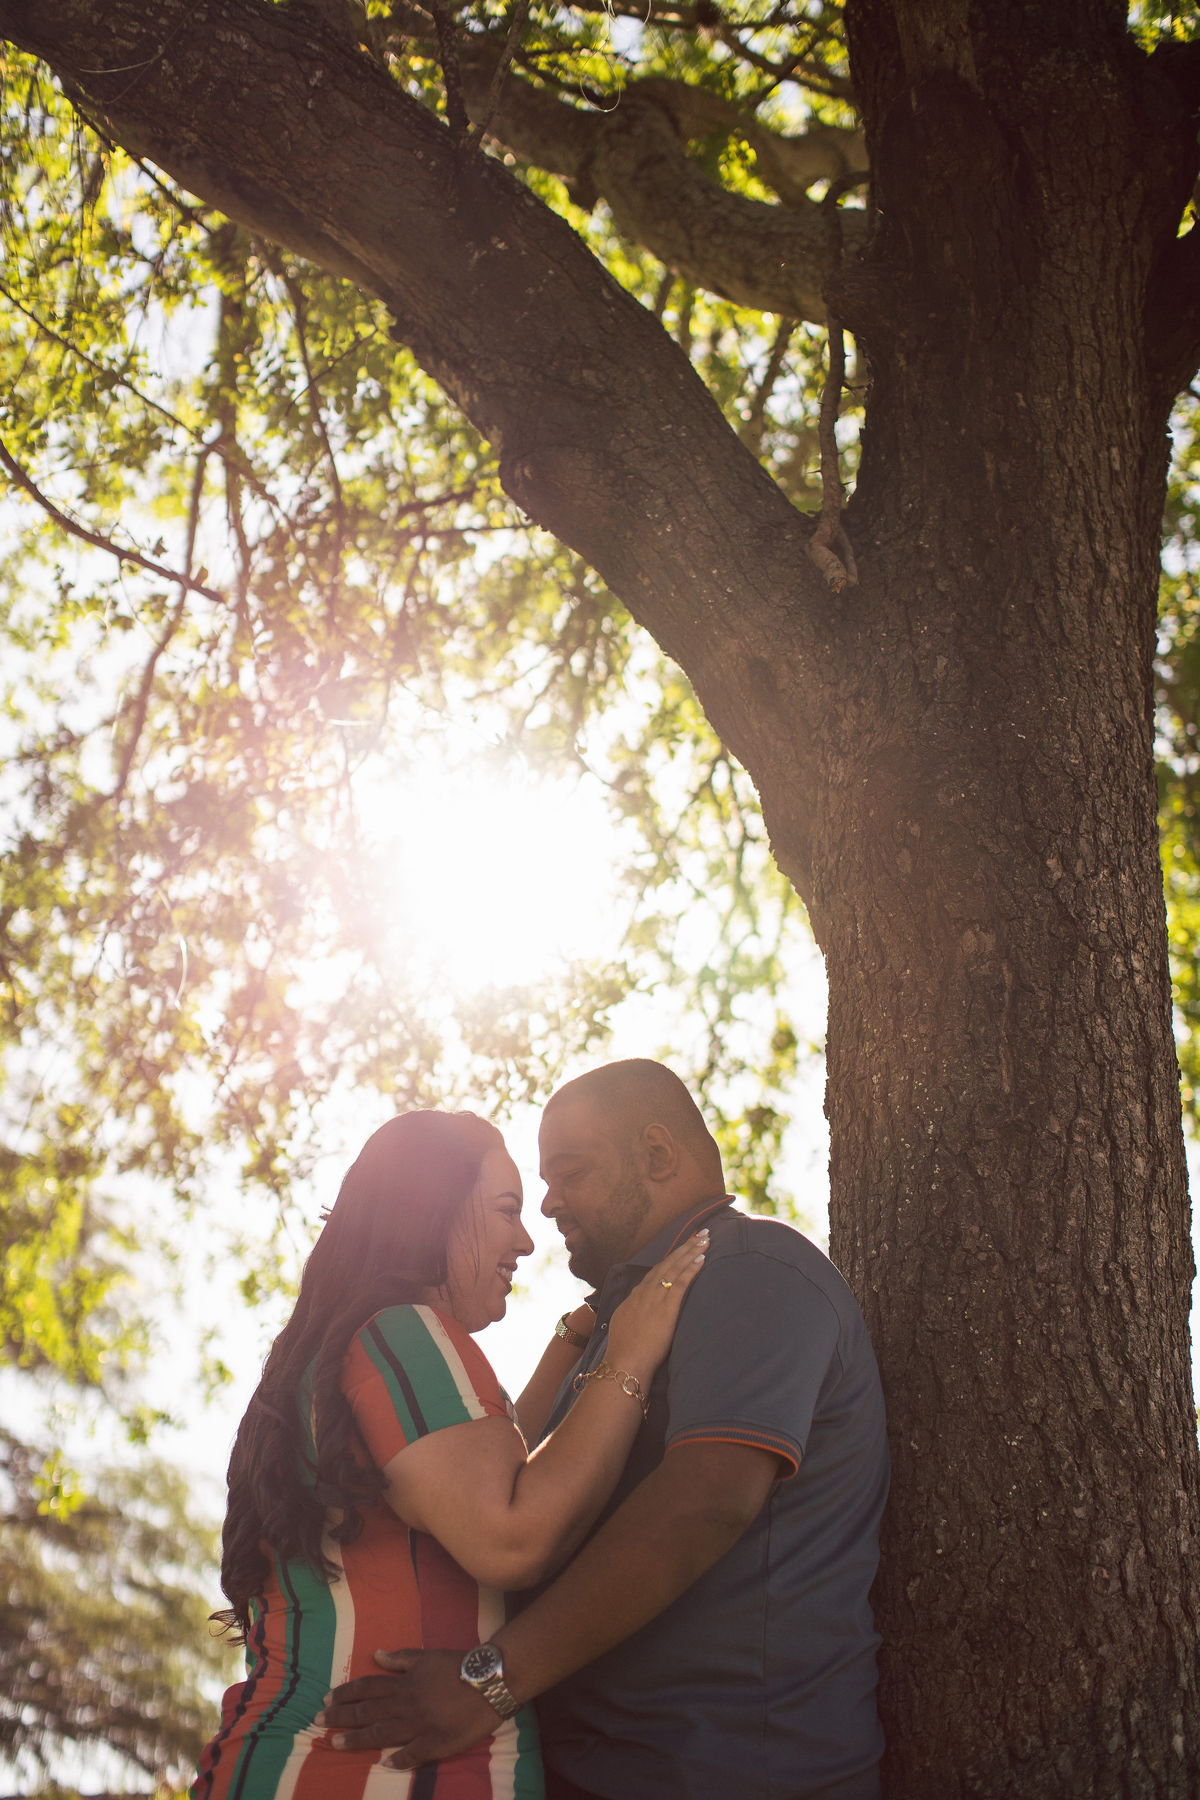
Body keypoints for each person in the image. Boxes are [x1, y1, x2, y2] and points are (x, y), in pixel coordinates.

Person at [319, 1060, 890, 1800]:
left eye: (570, 1171)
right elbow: (509, 1479)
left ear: (656, 1155)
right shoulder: (627, 1324)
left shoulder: (751, 1270)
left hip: (729, 1769)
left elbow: (706, 1501)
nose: (548, 1204)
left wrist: (487, 1682)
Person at [191, 1106, 708, 1800]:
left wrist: (577, 1336)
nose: (526, 1241)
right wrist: (633, 1353)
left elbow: (489, 1469)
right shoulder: (405, 1332)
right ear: (432, 1211)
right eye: (505, 1209)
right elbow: (512, 1535)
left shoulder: (354, 1347)